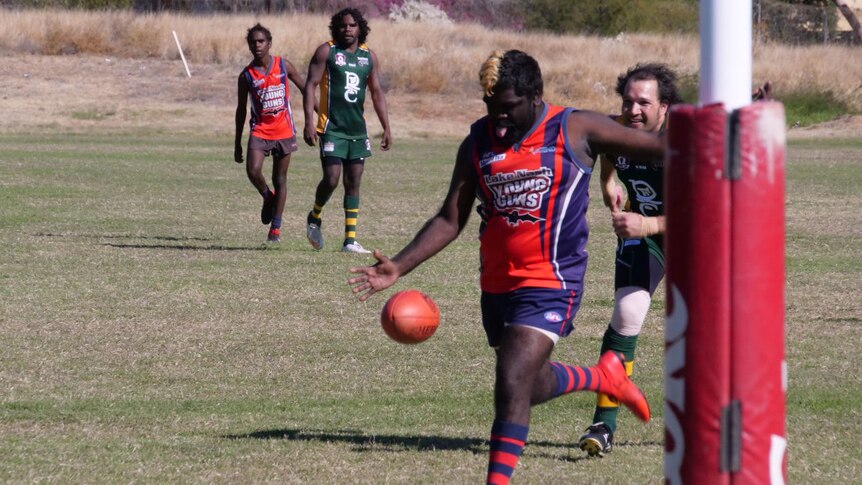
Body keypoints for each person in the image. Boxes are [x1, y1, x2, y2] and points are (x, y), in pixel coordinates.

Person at [348, 50, 664, 484]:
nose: (498, 120)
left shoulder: (574, 128)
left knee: (511, 377)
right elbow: (450, 218)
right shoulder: (478, 140)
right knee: (525, 385)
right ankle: (601, 375)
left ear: (536, 97)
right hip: (497, 284)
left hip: (552, 281)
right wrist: (398, 266)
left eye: (508, 109)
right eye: (491, 108)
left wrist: (726, 126)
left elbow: (660, 145)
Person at [577, 63, 682, 458]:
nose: (633, 111)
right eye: (627, 102)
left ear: (665, 107)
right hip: (645, 238)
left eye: (644, 103)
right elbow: (607, 153)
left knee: (714, 332)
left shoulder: (684, 140)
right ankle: (603, 424)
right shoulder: (616, 129)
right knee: (626, 314)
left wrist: (649, 222)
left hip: (694, 240)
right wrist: (608, 183)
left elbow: (705, 212)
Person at [302, 8, 392, 254]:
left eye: (352, 25)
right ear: (336, 28)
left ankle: (350, 241)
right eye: (343, 26)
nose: (348, 29)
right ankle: (314, 216)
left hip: (357, 131)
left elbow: (376, 93)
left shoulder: (368, 57)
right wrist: (309, 122)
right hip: (331, 128)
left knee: (353, 182)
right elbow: (310, 85)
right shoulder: (327, 51)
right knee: (331, 179)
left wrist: (386, 127)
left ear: (360, 28)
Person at [235, 23, 307, 243]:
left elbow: (307, 91)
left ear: (269, 43)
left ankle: (275, 228)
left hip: (284, 130)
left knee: (280, 178)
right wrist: (237, 142)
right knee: (253, 170)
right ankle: (267, 196)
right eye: (253, 42)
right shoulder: (246, 75)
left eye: (261, 41)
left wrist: (319, 118)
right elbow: (241, 109)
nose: (257, 45)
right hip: (260, 130)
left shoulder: (284, 65)